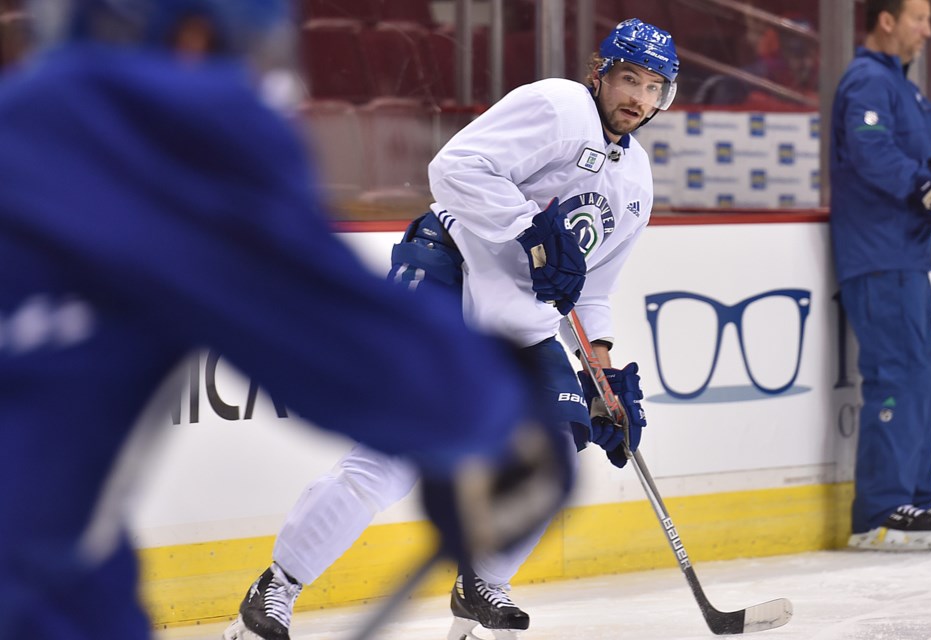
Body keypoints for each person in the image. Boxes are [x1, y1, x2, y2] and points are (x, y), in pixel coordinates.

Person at [0, 1, 577, 638]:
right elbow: (364, 359)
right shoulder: (161, 128)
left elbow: (55, 542)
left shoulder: (32, 124)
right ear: (192, 38)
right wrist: (500, 417)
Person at [225, 17, 675, 640]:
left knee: (556, 443)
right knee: (393, 456)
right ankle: (274, 590)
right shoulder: (559, 105)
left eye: (655, 88)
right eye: (629, 79)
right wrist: (530, 234)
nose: (639, 99)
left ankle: (479, 585)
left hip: (516, 316)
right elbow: (454, 167)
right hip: (449, 271)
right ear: (599, 73)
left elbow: (591, 288)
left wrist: (599, 367)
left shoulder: (635, 181)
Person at [830, 0, 931, 551]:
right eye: (920, 19)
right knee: (896, 374)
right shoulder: (866, 80)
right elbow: (870, 148)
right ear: (887, 20)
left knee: (921, 374)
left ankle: (913, 495)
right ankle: (879, 512)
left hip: (904, 255)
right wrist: (924, 187)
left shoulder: (898, 86)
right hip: (877, 254)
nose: (929, 31)